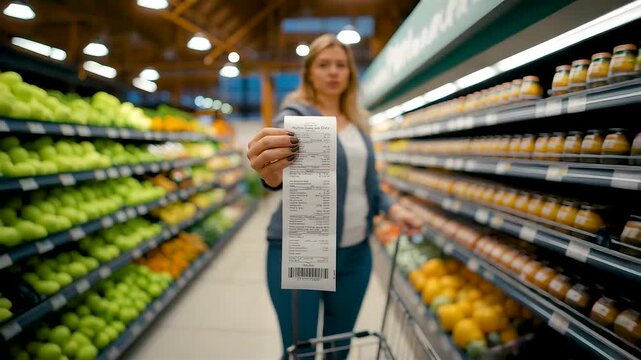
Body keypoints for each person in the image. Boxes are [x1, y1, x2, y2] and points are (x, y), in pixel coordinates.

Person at [246, 33, 421, 359]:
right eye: (324, 64)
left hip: (356, 255)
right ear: (309, 72)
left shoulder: (358, 122)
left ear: (350, 74)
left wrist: (393, 209)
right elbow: (276, 176)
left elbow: (367, 183)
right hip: (300, 253)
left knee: (340, 349)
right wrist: (268, 173)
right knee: (302, 352)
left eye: (341, 65)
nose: (333, 72)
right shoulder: (295, 118)